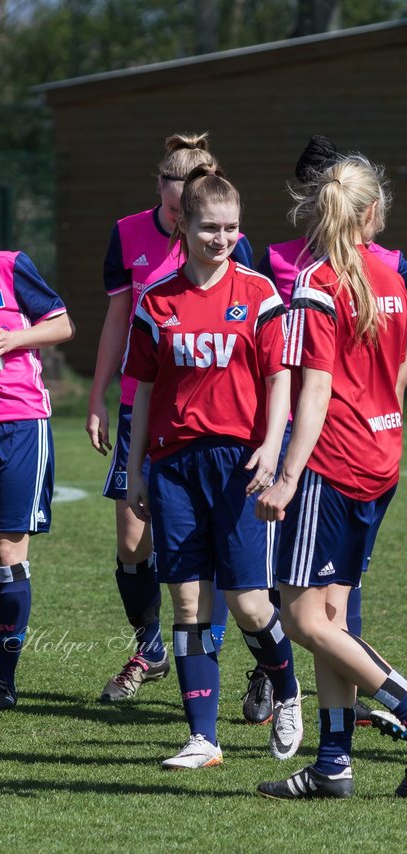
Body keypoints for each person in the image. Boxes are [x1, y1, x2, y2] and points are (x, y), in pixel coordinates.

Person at [123, 166, 301, 770]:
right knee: (188, 604)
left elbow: (281, 378)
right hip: (173, 465)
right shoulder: (157, 299)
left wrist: (273, 448)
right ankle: (203, 737)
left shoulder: (258, 294)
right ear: (182, 224)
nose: (221, 238)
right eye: (208, 227)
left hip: (239, 465)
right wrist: (137, 468)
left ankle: (289, 691)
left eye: (230, 228)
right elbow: (144, 389)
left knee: (250, 604)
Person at [87, 133, 261, 714]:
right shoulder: (127, 234)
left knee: (212, 555)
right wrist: (98, 395)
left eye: (177, 211)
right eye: (165, 208)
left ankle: (211, 659)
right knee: (133, 544)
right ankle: (152, 649)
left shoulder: (235, 250)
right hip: (145, 408)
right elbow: (117, 321)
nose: (169, 220)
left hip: (214, 425)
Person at [255, 154, 407, 800]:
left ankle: (401, 701)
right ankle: (334, 763)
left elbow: (313, 394)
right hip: (381, 459)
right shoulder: (393, 277)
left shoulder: (318, 280)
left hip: (333, 465)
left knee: (299, 619)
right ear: (372, 212)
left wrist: (288, 476)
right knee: (333, 615)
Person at [0, 248, 74, 712]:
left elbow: (63, 325)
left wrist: (14, 339)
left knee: (8, 554)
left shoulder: (6, 264)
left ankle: (3, 681)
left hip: (17, 423)